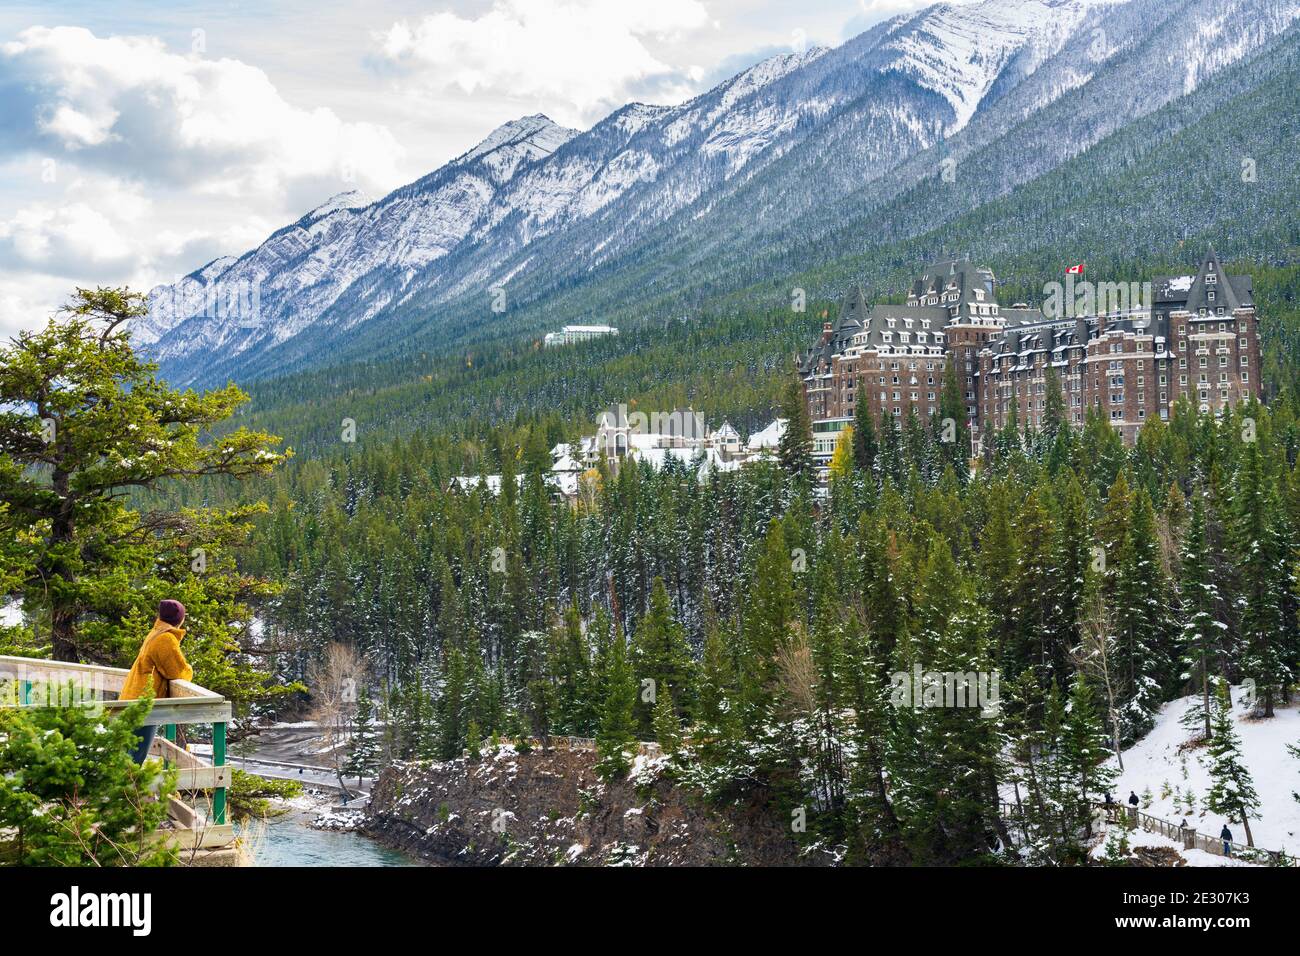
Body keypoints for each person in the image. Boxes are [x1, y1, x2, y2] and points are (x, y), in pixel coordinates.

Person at [119, 600, 192, 763]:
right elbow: (179, 672)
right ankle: (130, 788)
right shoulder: (165, 639)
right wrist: (190, 669)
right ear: (180, 619)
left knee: (127, 753)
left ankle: (124, 787)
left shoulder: (155, 633)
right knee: (136, 756)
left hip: (134, 698)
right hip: (144, 703)